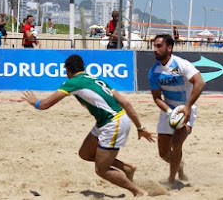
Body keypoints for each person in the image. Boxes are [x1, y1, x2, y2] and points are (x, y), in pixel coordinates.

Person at [22, 54, 155, 197]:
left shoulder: (73, 82)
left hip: (113, 123)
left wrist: (34, 102)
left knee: (101, 170)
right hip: (109, 121)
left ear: (67, 70)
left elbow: (44, 105)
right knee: (85, 153)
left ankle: (138, 191)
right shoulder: (97, 80)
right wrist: (140, 128)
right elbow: (125, 103)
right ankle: (127, 168)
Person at [148, 34, 206, 185]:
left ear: (169, 48)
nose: (155, 49)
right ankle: (178, 165)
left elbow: (200, 83)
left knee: (176, 143)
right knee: (163, 153)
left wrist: (187, 107)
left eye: (159, 46)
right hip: (168, 111)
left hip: (186, 110)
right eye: (154, 46)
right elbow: (156, 98)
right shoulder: (153, 72)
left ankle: (171, 180)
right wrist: (169, 112)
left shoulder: (181, 64)